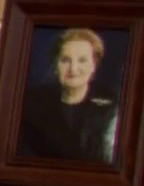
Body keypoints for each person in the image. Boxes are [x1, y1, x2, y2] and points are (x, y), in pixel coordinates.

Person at [16, 27, 120, 165]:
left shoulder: (112, 109)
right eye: (65, 60)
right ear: (55, 65)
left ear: (94, 66)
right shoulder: (31, 105)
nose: (73, 69)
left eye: (82, 60)